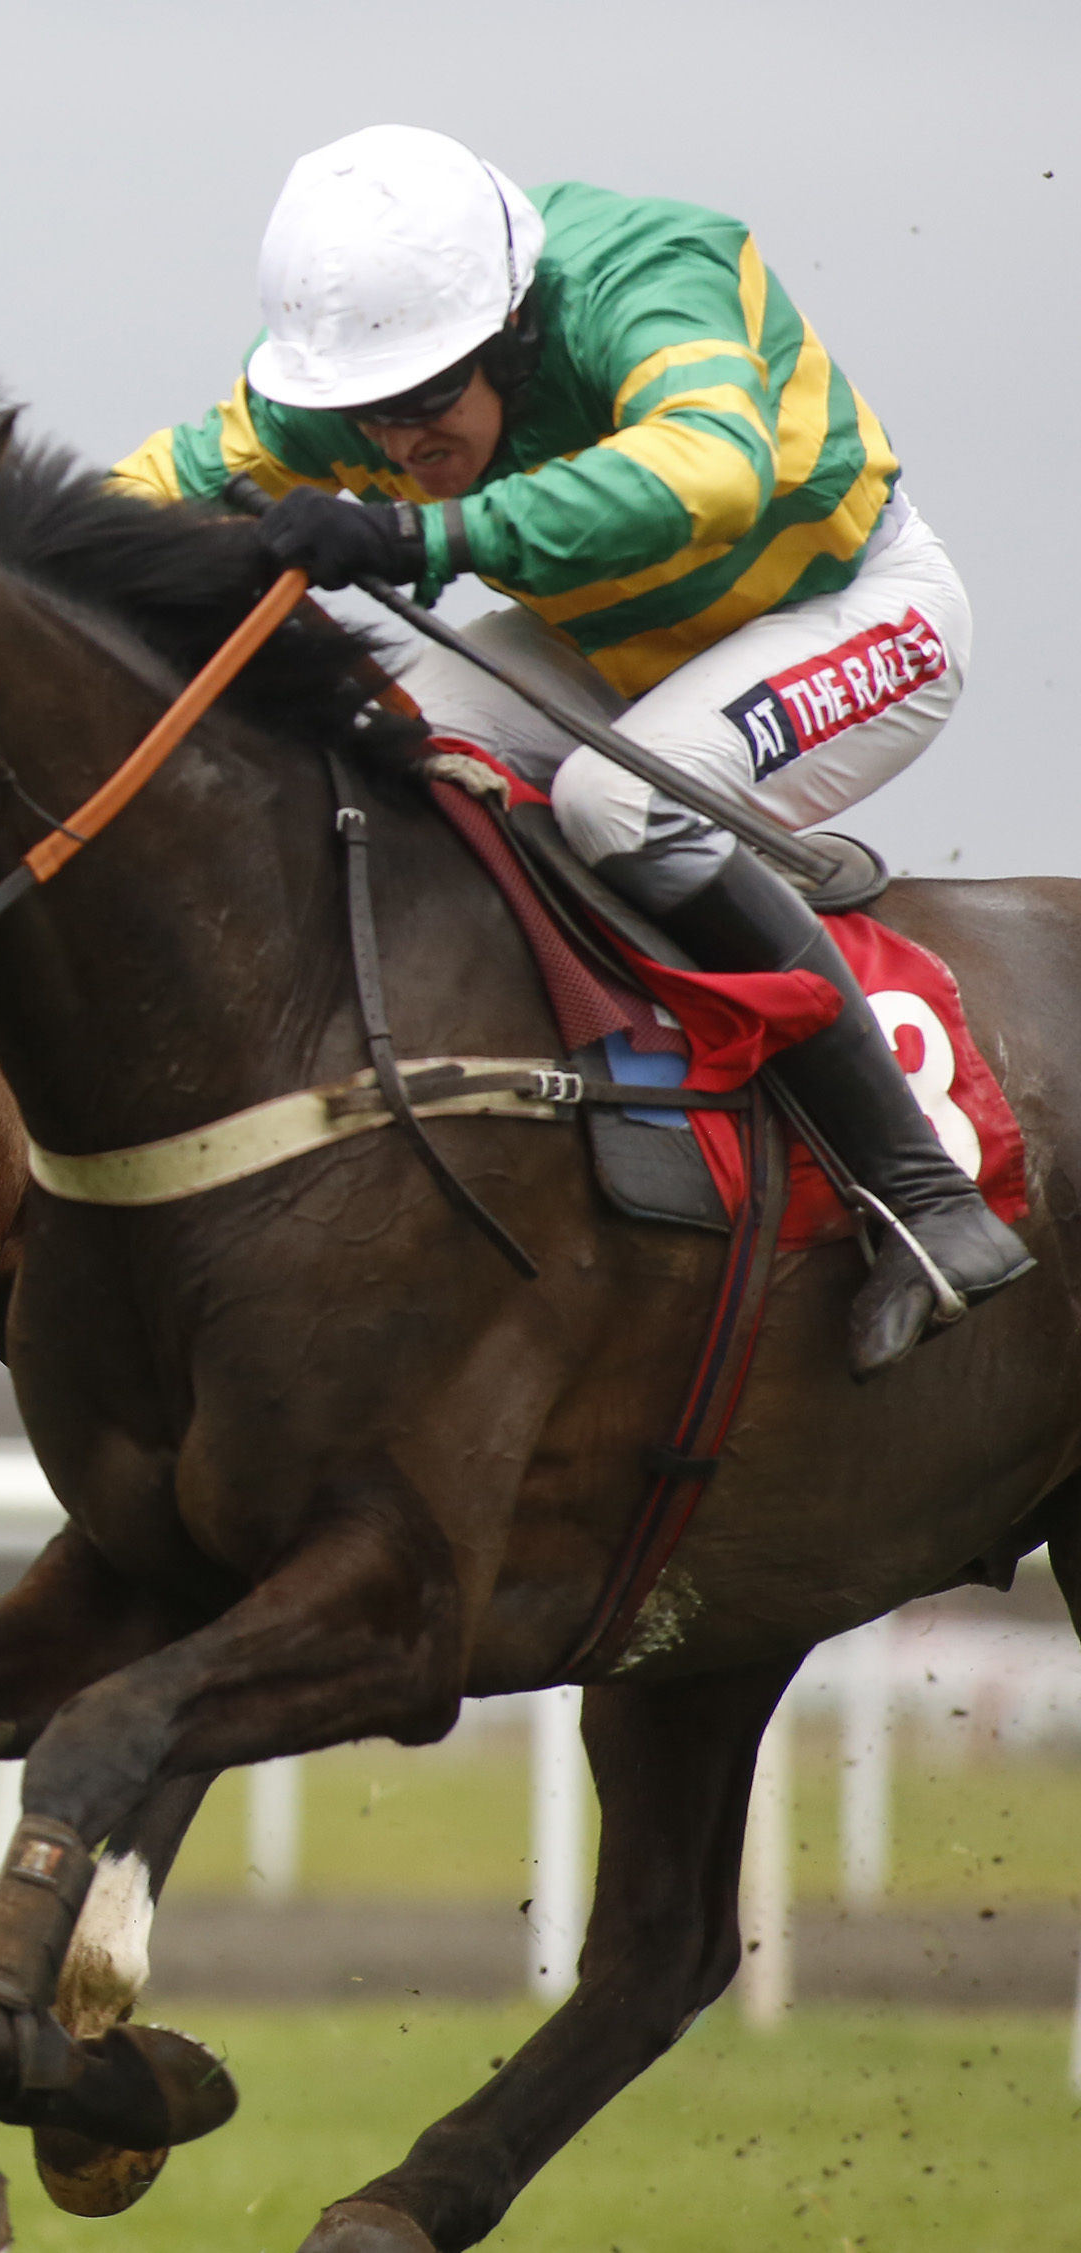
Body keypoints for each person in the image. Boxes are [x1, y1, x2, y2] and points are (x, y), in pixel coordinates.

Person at [117, 123, 1027, 1370]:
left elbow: (706, 471)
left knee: (618, 806)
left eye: (423, 405)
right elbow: (143, 489)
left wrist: (419, 538)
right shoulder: (339, 375)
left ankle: (922, 1195)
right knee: (381, 759)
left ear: (511, 333)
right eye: (364, 418)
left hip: (850, 610)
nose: (397, 446)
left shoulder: (649, 275)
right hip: (601, 645)